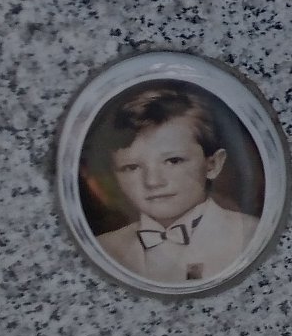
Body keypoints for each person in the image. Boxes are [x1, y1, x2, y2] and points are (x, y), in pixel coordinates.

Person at [92, 86, 259, 285]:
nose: (153, 182)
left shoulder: (252, 236)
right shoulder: (103, 248)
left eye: (173, 161)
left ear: (213, 165)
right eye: (132, 167)